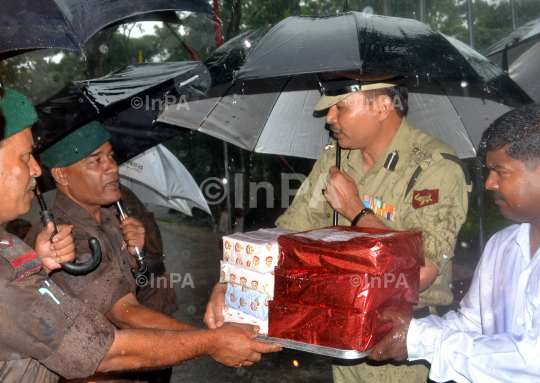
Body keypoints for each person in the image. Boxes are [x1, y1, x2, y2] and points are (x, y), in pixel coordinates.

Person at [0, 88, 279, 383]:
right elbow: (117, 325)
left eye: (110, 156)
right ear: (63, 175)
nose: (35, 169)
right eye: (95, 160)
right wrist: (212, 341)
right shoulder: (63, 233)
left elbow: (136, 286)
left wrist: (135, 256)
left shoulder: (114, 212)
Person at [204, 75, 471, 383]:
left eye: (341, 107)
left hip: (404, 344)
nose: (329, 117)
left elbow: (420, 273)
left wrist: (356, 211)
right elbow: (286, 236)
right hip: (341, 337)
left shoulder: (435, 168)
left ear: (384, 106)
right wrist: (231, 284)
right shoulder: (336, 157)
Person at [368, 103, 540, 383]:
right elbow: (472, 325)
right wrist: (407, 331)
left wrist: (424, 339)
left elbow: (532, 359)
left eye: (500, 172)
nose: (489, 183)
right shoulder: (502, 245)